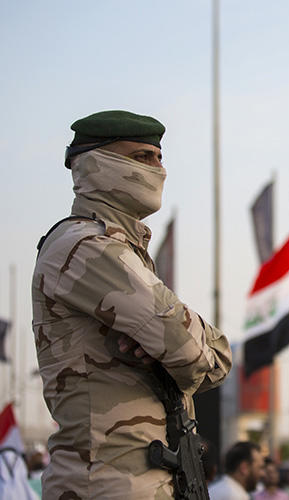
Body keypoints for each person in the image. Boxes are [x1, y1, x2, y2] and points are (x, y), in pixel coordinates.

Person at [31, 110, 233, 498]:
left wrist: (166, 349)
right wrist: (175, 348)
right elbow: (197, 353)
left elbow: (213, 355)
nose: (158, 168)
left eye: (159, 157)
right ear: (95, 163)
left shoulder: (123, 250)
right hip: (105, 485)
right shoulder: (86, 247)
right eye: (141, 157)